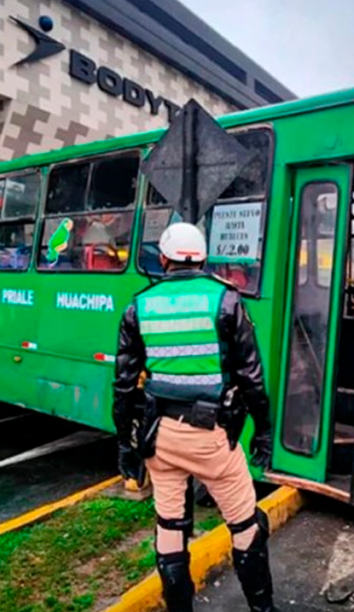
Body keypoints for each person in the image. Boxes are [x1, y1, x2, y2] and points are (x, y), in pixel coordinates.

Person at [113, 222, 276, 612]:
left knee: (170, 531)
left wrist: (125, 443)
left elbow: (123, 385)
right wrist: (263, 432)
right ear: (203, 257)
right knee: (245, 526)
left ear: (164, 259)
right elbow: (251, 377)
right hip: (212, 440)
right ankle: (263, 610)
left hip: (160, 440)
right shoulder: (226, 301)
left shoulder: (140, 305)